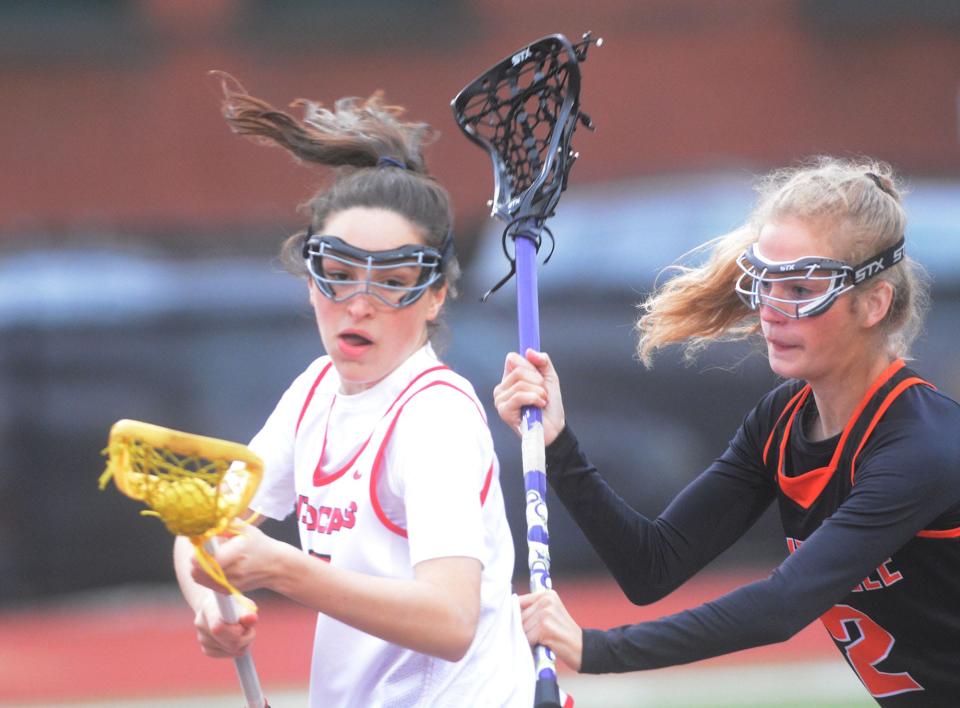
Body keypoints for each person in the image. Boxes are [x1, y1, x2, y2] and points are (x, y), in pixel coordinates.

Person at [493, 157, 960, 706]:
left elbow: (782, 605)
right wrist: (557, 445)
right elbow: (652, 566)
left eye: (802, 289)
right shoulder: (781, 421)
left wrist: (598, 649)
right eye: (766, 283)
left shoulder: (922, 449)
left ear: (873, 303)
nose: (773, 312)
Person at [173, 76, 535, 707]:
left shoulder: (434, 418)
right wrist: (212, 600)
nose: (359, 305)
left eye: (393, 281)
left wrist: (283, 568)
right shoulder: (314, 393)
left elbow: (449, 622)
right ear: (309, 280)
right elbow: (204, 529)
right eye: (337, 276)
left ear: (436, 295)